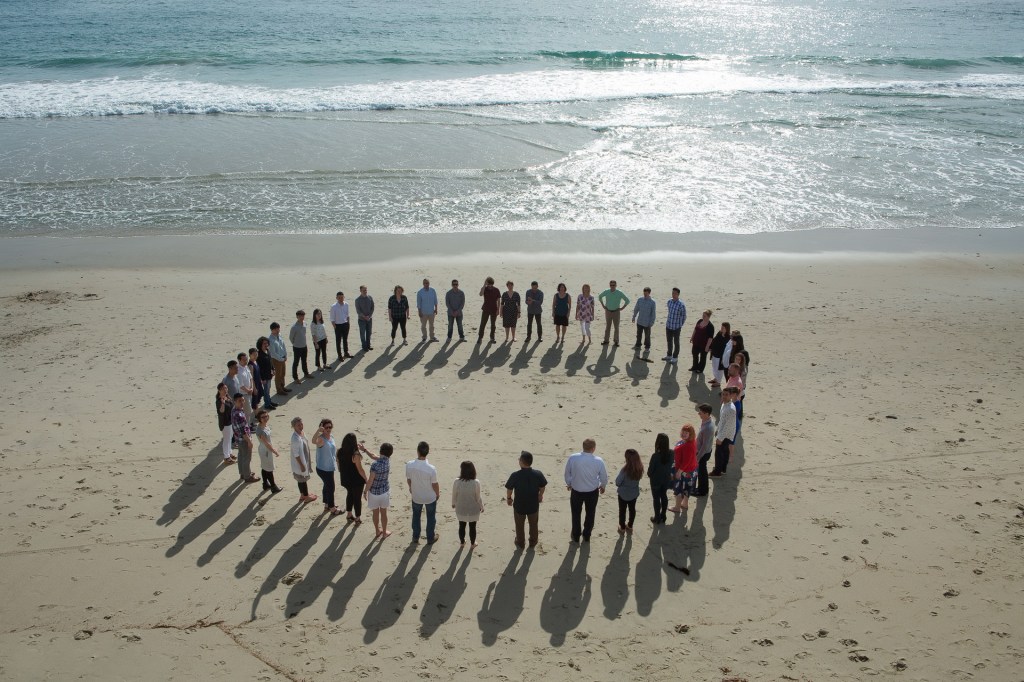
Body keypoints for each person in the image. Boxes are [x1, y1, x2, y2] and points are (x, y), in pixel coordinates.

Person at [563, 438, 607, 543]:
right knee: (590, 513)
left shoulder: (573, 458)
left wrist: (569, 483)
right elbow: (604, 477)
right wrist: (603, 486)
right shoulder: (599, 461)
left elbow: (567, 473)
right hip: (592, 492)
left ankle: (576, 535)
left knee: (576, 513)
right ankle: (587, 535)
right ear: (593, 448)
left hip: (576, 491)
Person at [505, 450, 547, 549]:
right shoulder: (538, 474)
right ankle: (533, 541)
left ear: (521, 462)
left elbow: (509, 489)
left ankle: (520, 542)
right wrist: (540, 495)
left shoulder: (515, 475)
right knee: (533, 524)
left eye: (519, 459)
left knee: (519, 525)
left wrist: (509, 498)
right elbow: (542, 486)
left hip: (520, 506)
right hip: (533, 505)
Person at [406, 441, 440, 543]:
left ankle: (415, 536)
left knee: (416, 516)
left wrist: (411, 488)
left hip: (416, 496)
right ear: (427, 452)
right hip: (430, 497)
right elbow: (435, 484)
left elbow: (409, 479)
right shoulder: (431, 469)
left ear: (417, 451)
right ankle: (430, 537)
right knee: (431, 517)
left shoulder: (409, 465)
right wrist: (437, 494)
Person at [337, 432, 374, 523]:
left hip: (345, 479)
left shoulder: (339, 451)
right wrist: (366, 478)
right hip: (356, 480)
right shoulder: (355, 454)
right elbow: (360, 469)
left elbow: (338, 466)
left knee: (349, 494)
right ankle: (357, 518)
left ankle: (349, 514)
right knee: (357, 499)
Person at [364, 442, 395, 538]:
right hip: (384, 492)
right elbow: (374, 456)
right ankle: (384, 532)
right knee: (384, 513)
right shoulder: (387, 461)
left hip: (374, 493)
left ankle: (377, 530)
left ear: (381, 450)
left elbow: (370, 481)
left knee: (375, 513)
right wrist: (365, 450)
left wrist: (365, 491)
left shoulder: (375, 465)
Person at [311, 418, 340, 515]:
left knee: (327, 486)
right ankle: (332, 508)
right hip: (323, 468)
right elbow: (313, 441)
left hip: (330, 467)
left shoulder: (331, 437)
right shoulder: (321, 439)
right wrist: (318, 431)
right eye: (326, 427)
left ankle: (327, 504)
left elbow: (333, 450)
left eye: (330, 427)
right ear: (322, 428)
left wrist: (337, 460)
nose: (328, 429)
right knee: (331, 487)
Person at [452, 460, 484, 547]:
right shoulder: (476, 482)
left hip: (461, 508)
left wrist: (453, 503)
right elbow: (478, 497)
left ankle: (462, 543)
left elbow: (454, 494)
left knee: (461, 526)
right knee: (472, 527)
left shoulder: (457, 481)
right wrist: (482, 506)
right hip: (473, 509)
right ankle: (473, 544)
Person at [232, 393, 260, 483]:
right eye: (240, 401)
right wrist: (249, 441)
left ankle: (243, 473)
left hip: (238, 439)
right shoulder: (239, 415)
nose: (242, 402)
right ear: (235, 402)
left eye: (243, 400)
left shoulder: (234, 410)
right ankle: (247, 476)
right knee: (247, 458)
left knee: (241, 456)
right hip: (243, 439)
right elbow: (243, 431)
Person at [710, 387, 739, 477]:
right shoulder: (724, 404)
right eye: (723, 394)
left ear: (731, 395)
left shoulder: (730, 409)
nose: (724, 396)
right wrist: (718, 429)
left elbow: (727, 426)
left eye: (727, 395)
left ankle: (717, 472)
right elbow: (722, 420)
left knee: (719, 453)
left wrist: (720, 438)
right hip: (725, 432)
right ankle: (723, 469)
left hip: (727, 434)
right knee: (725, 451)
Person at [669, 424, 698, 512]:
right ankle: (685, 504)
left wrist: (679, 472)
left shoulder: (688, 445)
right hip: (691, 469)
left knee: (678, 488)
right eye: (683, 432)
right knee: (687, 488)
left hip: (684, 471)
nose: (684, 434)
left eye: (686, 433)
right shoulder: (691, 441)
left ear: (690, 434)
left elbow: (686, 461)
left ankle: (677, 507)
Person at [614, 449, 643, 534]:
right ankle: (630, 525)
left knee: (622, 510)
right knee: (632, 509)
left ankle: (622, 527)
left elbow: (618, 482)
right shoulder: (640, 468)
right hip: (634, 493)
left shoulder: (624, 470)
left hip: (623, 494)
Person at [646, 433, 673, 524]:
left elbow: (650, 471)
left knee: (656, 498)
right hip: (666, 479)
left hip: (656, 481)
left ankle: (657, 517)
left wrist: (650, 475)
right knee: (664, 495)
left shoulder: (655, 456)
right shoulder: (672, 453)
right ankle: (663, 515)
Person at [289, 417, 318, 503]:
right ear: (294, 426)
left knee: (300, 479)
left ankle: (302, 495)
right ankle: (306, 496)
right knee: (302, 479)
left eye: (301, 424)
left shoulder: (301, 433)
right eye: (298, 425)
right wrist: (301, 465)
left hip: (304, 459)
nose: (301, 426)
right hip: (300, 462)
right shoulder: (295, 438)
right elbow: (296, 454)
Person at [254, 409, 283, 493]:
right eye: (263, 417)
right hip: (265, 451)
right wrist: (274, 451)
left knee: (264, 467)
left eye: (266, 416)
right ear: (259, 418)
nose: (265, 418)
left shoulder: (264, 426)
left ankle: (265, 484)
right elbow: (266, 444)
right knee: (269, 469)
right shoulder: (261, 430)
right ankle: (273, 486)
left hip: (265, 449)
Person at [598, 279, 630, 346]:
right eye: (611, 285)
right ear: (609, 285)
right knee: (608, 327)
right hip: (608, 311)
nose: (612, 286)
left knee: (616, 327)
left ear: (616, 285)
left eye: (613, 285)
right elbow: (600, 296)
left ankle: (616, 341)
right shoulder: (606, 291)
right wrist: (603, 305)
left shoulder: (619, 292)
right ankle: (606, 340)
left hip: (616, 312)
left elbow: (627, 300)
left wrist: (622, 308)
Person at [693, 403, 716, 497]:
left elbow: (704, 446)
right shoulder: (706, 421)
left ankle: (702, 491)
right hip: (704, 452)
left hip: (703, 453)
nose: (699, 414)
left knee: (702, 473)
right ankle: (702, 489)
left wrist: (697, 458)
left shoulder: (708, 427)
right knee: (702, 472)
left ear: (707, 414)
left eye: (701, 413)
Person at [664, 287, 687, 364]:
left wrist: (680, 325)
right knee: (669, 341)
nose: (673, 294)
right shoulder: (669, 302)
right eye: (673, 293)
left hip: (676, 327)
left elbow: (684, 316)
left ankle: (675, 357)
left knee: (676, 342)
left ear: (678, 294)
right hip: (669, 325)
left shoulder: (681, 305)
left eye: (675, 293)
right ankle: (669, 355)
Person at [631, 287, 656, 351]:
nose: (645, 294)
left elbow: (653, 313)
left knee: (647, 336)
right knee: (638, 334)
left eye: (646, 293)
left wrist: (652, 322)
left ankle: (647, 347)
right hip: (640, 321)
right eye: (644, 293)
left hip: (647, 323)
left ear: (649, 293)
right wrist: (634, 317)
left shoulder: (652, 302)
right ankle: (638, 345)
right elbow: (636, 309)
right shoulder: (640, 299)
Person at [330, 291, 353, 361]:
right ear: (337, 298)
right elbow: (332, 319)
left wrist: (348, 323)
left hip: (345, 324)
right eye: (339, 297)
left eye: (342, 297)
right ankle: (339, 355)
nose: (341, 299)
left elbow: (347, 315)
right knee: (338, 341)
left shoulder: (346, 304)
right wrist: (335, 327)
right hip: (338, 325)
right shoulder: (333, 306)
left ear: (344, 297)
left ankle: (346, 353)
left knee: (345, 340)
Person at [216, 382, 235, 464]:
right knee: (226, 440)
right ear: (219, 390)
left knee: (230, 438)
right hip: (225, 423)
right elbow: (221, 411)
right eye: (223, 388)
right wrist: (223, 403)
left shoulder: (228, 397)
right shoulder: (219, 401)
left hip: (231, 421)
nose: (225, 390)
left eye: (226, 388)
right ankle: (226, 457)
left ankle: (229, 453)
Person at [268, 322, 290, 395]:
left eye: (278, 328)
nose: (278, 330)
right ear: (272, 330)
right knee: (278, 375)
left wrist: (285, 355)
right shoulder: (270, 340)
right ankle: (279, 389)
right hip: (276, 360)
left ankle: (282, 386)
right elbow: (273, 353)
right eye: (276, 329)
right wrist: (281, 359)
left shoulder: (279, 336)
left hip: (282, 357)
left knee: (283, 373)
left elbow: (283, 345)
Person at [289, 310, 311, 383]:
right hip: (297, 347)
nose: (302, 317)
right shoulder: (294, 327)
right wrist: (295, 344)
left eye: (303, 316)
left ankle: (306, 373)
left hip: (304, 346)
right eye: (300, 316)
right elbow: (291, 338)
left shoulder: (305, 324)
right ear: (297, 317)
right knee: (296, 362)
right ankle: (295, 378)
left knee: (304, 361)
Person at [477, 276, 500, 343]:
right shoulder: (485, 288)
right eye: (488, 284)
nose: (490, 286)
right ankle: (480, 338)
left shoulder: (496, 290)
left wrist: (498, 310)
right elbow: (480, 294)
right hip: (486, 309)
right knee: (483, 324)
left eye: (491, 284)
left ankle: (492, 338)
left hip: (494, 309)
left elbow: (499, 300)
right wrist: (484, 285)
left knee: (493, 325)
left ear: (493, 283)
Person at [255, 337, 276, 409]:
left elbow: (270, 361)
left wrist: (273, 369)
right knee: (266, 390)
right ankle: (267, 404)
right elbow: (259, 368)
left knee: (268, 389)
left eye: (267, 343)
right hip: (264, 376)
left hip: (269, 374)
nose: (266, 345)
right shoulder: (259, 355)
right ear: (260, 344)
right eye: (264, 343)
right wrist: (262, 378)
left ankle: (269, 401)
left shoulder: (267, 351)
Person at [708, 321, 731, 387]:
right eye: (721, 327)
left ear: (727, 329)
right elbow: (714, 340)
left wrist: (724, 358)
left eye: (723, 328)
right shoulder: (719, 333)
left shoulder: (728, 338)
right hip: (714, 353)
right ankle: (715, 378)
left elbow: (727, 349)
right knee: (714, 367)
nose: (721, 328)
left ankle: (718, 382)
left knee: (719, 369)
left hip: (721, 356)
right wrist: (710, 347)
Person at [417, 278, 439, 342]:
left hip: (431, 312)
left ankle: (432, 337)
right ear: (423, 284)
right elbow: (418, 303)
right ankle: (424, 337)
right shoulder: (420, 292)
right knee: (423, 326)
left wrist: (436, 309)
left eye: (427, 283)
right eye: (425, 283)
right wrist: (419, 312)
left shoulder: (433, 291)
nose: (426, 284)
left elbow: (435, 300)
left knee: (432, 325)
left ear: (429, 283)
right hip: (423, 312)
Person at [235, 353, 255, 423]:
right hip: (244, 394)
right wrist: (248, 390)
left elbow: (250, 378)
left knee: (249, 410)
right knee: (247, 411)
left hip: (249, 392)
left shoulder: (246, 367)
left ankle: (249, 424)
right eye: (243, 360)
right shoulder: (238, 371)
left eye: (246, 359)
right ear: (239, 360)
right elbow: (241, 385)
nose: (246, 361)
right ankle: (247, 426)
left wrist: (252, 388)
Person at [355, 285, 375, 352]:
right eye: (364, 290)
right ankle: (364, 346)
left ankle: (368, 345)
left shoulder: (370, 298)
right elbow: (358, 311)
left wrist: (369, 316)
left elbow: (372, 308)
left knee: (369, 333)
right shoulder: (357, 300)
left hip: (369, 319)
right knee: (362, 334)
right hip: (361, 320)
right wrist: (364, 316)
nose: (365, 291)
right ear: (360, 291)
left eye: (366, 290)